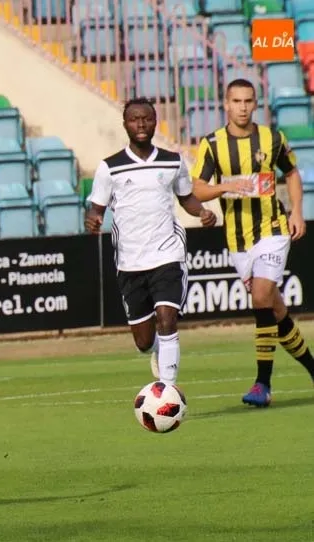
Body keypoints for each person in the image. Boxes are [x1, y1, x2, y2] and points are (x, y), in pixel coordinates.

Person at [190, 78, 314, 407]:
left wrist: (297, 212)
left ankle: (262, 384)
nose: (243, 107)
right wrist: (227, 186)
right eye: (237, 101)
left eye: (249, 101)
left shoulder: (272, 138)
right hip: (237, 239)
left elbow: (292, 173)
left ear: (255, 104)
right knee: (272, 308)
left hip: (273, 229)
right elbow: (198, 188)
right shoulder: (212, 144)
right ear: (226, 105)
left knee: (260, 295)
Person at [85, 98, 218, 386]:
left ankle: (167, 389)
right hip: (130, 261)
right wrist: (93, 219)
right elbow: (96, 208)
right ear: (125, 124)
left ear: (155, 121)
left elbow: (186, 198)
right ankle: (157, 350)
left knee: (167, 318)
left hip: (167, 254)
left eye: (146, 118)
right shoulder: (110, 167)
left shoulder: (173, 160)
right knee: (144, 341)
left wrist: (203, 212)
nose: (141, 124)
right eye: (135, 119)